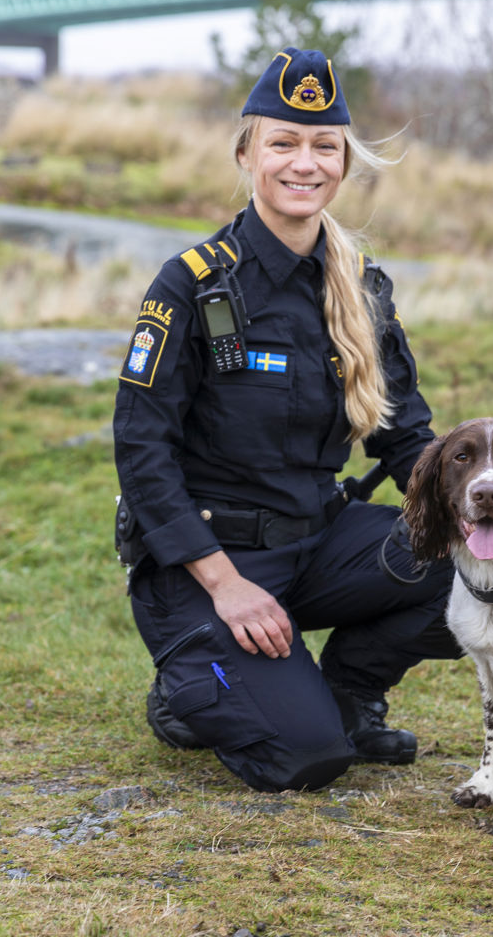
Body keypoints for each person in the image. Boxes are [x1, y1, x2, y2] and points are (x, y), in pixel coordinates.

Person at [112, 46, 460, 793]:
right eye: (284, 143)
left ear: (343, 163)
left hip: (315, 543)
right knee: (303, 759)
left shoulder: (361, 287)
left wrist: (486, 520)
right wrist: (225, 584)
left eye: (323, 147)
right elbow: (142, 449)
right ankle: (188, 694)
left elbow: (405, 437)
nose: (304, 164)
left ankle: (347, 698)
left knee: (473, 573)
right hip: (206, 567)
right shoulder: (195, 285)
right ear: (247, 154)